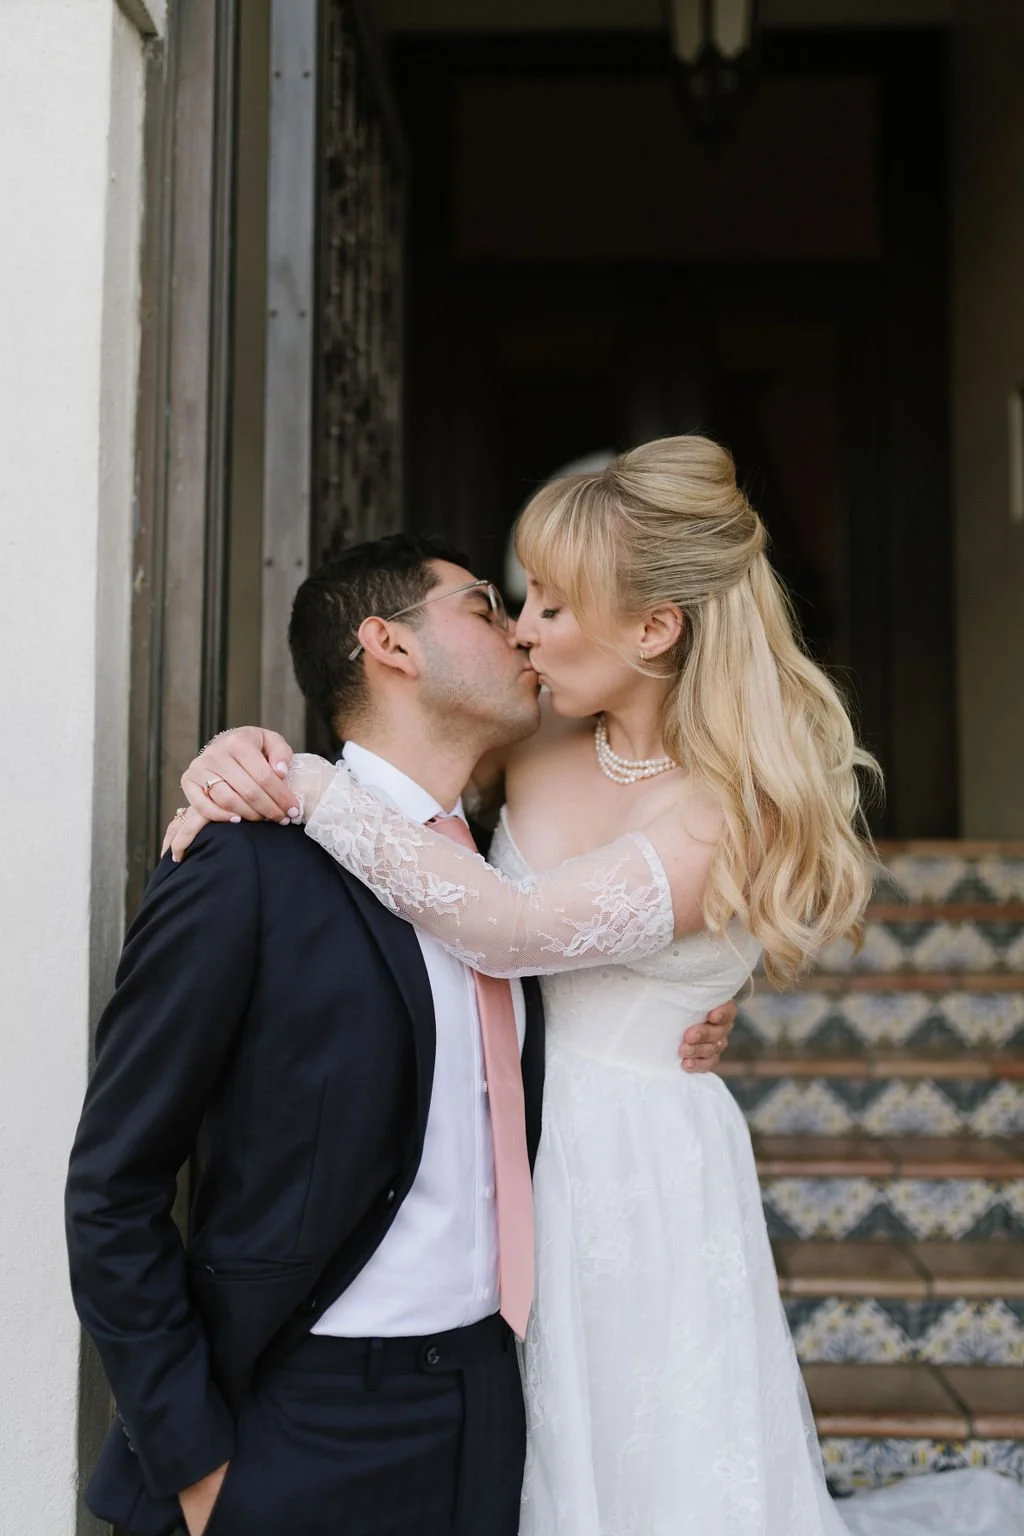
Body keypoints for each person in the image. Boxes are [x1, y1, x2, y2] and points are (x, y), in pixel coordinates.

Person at [178, 437, 1024, 1535]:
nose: (521, 630)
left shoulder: (732, 809)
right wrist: (245, 756)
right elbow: (406, 777)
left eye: (552, 607)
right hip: (501, 1147)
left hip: (635, 1167)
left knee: (643, 1468)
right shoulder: (529, 742)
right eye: (519, 601)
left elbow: (511, 926)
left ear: (654, 629)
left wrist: (307, 787)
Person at [66, 532, 735, 1536]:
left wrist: (695, 1008)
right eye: (481, 607)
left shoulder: (512, 874)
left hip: (490, 1403)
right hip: (299, 1421)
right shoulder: (242, 867)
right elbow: (112, 1188)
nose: (521, 632)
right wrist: (198, 1464)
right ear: (388, 645)